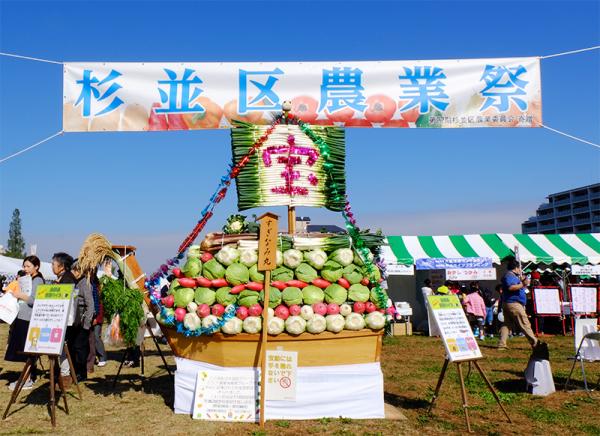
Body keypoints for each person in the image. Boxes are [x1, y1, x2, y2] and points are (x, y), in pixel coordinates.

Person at [5, 256, 45, 391]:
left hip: (28, 320)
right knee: (24, 350)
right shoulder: (28, 279)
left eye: (28, 266)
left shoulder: (38, 280)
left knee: (26, 350)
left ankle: (27, 379)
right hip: (22, 317)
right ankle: (27, 377)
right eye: (24, 266)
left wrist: (19, 295)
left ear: (36, 267)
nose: (25, 269)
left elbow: (34, 300)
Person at [497, 258, 539, 350]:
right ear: (515, 268)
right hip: (513, 303)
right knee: (524, 323)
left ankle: (502, 344)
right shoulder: (509, 276)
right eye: (519, 267)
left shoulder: (512, 276)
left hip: (509, 303)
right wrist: (522, 284)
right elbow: (511, 288)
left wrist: (523, 281)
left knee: (507, 324)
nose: (521, 269)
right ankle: (535, 343)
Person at [52, 252, 76, 388]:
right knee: (60, 348)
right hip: (60, 319)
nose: (52, 267)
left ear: (61, 266)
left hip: (65, 320)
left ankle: (65, 376)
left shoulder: (67, 279)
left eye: (53, 264)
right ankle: (61, 375)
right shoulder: (63, 278)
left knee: (63, 348)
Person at [68, 262, 96, 382]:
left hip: (82, 322)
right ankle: (75, 372)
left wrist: (87, 323)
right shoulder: (75, 282)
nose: (73, 273)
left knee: (80, 348)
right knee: (74, 347)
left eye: (75, 270)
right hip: (74, 321)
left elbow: (90, 305)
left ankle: (82, 374)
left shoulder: (85, 283)